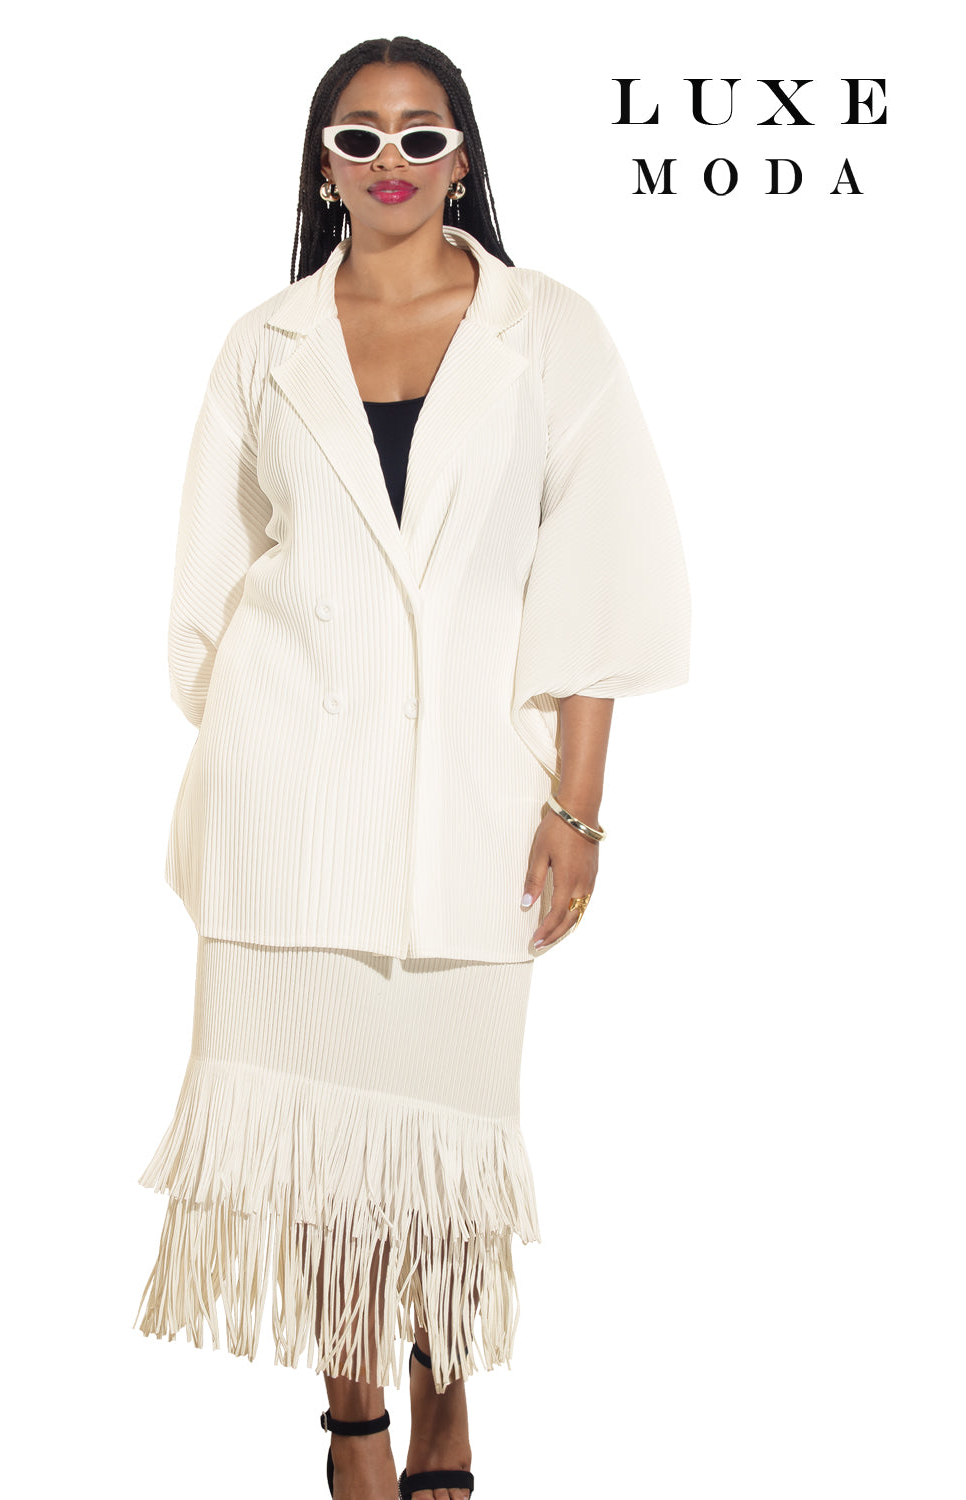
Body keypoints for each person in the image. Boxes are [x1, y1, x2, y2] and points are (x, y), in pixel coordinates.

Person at [133, 34, 692, 1500]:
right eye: (361, 134)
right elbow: (209, 584)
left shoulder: (548, 332)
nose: (392, 160)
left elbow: (600, 573)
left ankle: (447, 1387)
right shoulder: (262, 345)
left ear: (463, 158)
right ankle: (357, 1423)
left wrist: (577, 806)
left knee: (446, 1133)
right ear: (323, 164)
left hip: (474, 803)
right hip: (288, 800)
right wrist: (261, 747)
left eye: (422, 134)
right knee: (312, 1140)